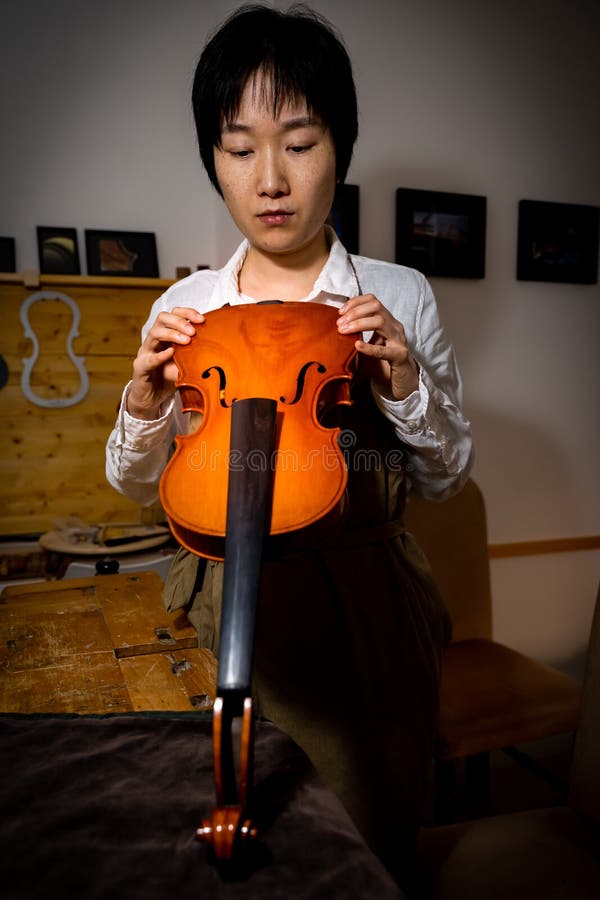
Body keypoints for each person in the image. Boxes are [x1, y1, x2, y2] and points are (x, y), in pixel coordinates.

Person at [106, 3, 473, 891]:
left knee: (357, 845)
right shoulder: (185, 306)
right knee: (218, 843)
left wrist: (402, 384)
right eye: (239, 149)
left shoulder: (399, 293)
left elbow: (449, 475)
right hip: (216, 591)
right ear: (214, 163)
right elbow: (127, 483)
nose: (271, 178)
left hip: (363, 610)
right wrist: (146, 399)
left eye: (300, 144)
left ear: (340, 149)